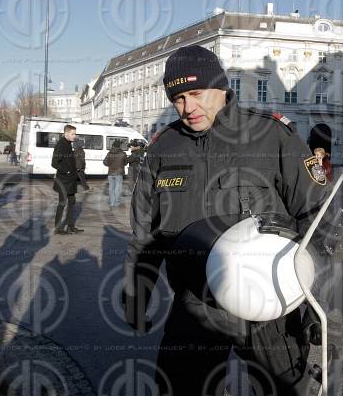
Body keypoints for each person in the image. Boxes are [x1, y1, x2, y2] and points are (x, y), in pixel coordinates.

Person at [124, 45, 328, 396]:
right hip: (197, 303)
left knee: (285, 389)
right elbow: (146, 233)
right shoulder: (163, 147)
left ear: (220, 86)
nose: (188, 107)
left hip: (271, 302)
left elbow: (317, 220)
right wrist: (137, 291)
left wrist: (319, 300)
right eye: (178, 98)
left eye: (196, 93)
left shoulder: (271, 135)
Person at [51, 125, 83, 235]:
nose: (75, 136)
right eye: (73, 134)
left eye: (75, 134)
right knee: (62, 203)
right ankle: (58, 228)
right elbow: (54, 163)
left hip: (70, 181)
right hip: (63, 181)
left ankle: (70, 226)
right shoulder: (61, 145)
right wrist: (67, 171)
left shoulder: (68, 144)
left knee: (72, 201)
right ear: (66, 133)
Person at [103, 139, 127, 207]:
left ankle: (112, 203)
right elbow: (125, 162)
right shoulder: (123, 153)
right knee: (118, 188)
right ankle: (117, 203)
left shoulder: (109, 153)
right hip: (119, 173)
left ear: (113, 145)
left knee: (111, 188)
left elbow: (105, 162)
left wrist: (110, 164)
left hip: (110, 173)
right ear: (119, 146)